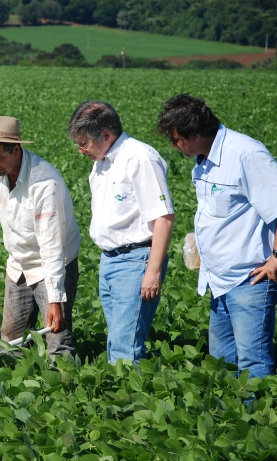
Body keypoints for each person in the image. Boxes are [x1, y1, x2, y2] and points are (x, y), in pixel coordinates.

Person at [157, 93, 277, 378]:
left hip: (250, 279)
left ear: (193, 134)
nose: (172, 144)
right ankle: (230, 416)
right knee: (221, 362)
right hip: (218, 281)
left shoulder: (245, 153)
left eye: (175, 138)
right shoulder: (203, 159)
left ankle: (258, 420)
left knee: (253, 363)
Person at [0, 115, 81, 359]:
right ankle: (23, 384)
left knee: (57, 338)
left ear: (16, 149)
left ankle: (65, 387)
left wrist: (55, 299)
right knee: (11, 341)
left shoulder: (44, 182)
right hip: (18, 264)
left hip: (52, 265)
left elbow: (52, 244)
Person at [68, 101, 174, 364]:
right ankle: (121, 394)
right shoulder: (102, 162)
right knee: (116, 339)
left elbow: (163, 217)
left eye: (84, 143)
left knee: (126, 346)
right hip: (110, 260)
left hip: (136, 260)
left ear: (105, 135)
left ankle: (132, 400)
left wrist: (152, 271)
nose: (81, 151)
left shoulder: (140, 158)